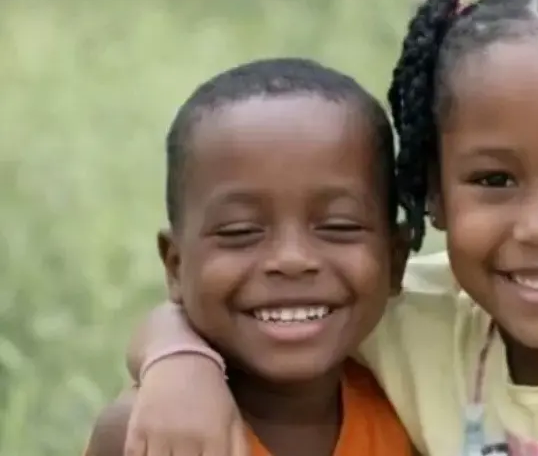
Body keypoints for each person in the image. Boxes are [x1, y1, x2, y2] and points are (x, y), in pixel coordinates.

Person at [119, 0, 538, 455]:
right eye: (494, 180)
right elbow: (262, 299)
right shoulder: (421, 316)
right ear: (433, 190)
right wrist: (176, 359)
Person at [84, 58, 414, 456]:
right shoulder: (150, 432)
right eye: (240, 232)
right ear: (176, 265)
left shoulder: (414, 406)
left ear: (396, 258)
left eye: (338, 226)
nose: (292, 259)